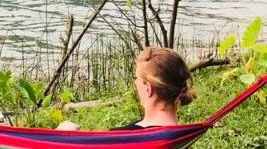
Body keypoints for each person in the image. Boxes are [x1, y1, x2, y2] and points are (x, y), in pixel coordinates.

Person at [56, 46, 195, 131]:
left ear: (148, 88)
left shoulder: (128, 137)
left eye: (137, 78)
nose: (135, 83)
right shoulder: (179, 132)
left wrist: (63, 135)